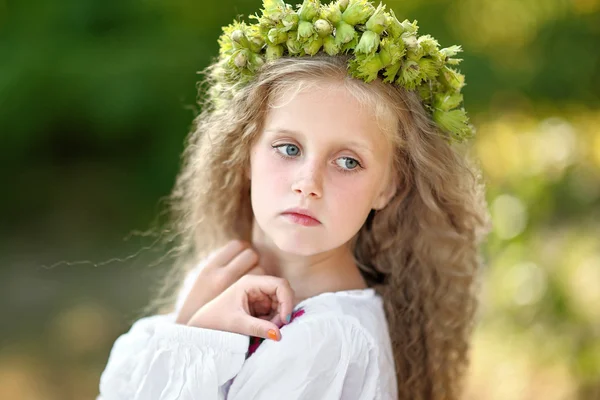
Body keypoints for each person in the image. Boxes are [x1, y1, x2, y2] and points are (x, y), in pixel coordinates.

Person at [97, 0, 491, 399]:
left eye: (348, 161)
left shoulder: (324, 341)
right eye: (288, 149)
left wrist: (195, 337)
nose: (308, 183)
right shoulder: (217, 288)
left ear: (389, 186)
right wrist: (188, 324)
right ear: (244, 151)